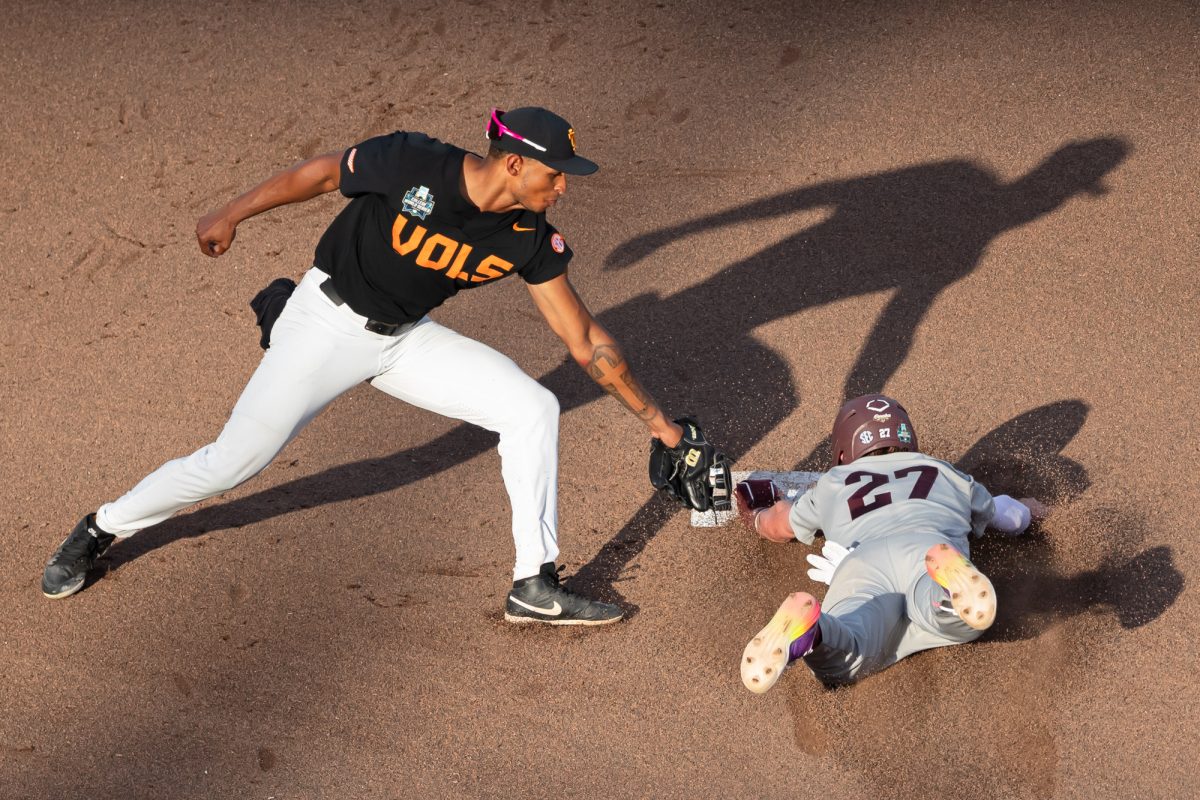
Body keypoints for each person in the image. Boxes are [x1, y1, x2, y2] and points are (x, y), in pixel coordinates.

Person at [42, 106, 692, 626]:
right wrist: (231, 212)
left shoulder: (527, 234)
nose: (564, 186)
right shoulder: (415, 162)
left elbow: (582, 339)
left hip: (406, 339)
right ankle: (100, 527)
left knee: (532, 407)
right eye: (555, 173)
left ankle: (535, 584)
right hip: (325, 324)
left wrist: (663, 428)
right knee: (231, 464)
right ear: (515, 164)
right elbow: (323, 175)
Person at [734, 394, 1045, 690]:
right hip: (927, 552)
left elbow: (778, 525)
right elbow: (1011, 516)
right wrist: (1038, 511)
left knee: (850, 644)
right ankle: (948, 591)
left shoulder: (833, 484)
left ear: (843, 452)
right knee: (953, 618)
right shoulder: (944, 472)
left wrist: (756, 513)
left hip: (861, 562)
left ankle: (814, 634)